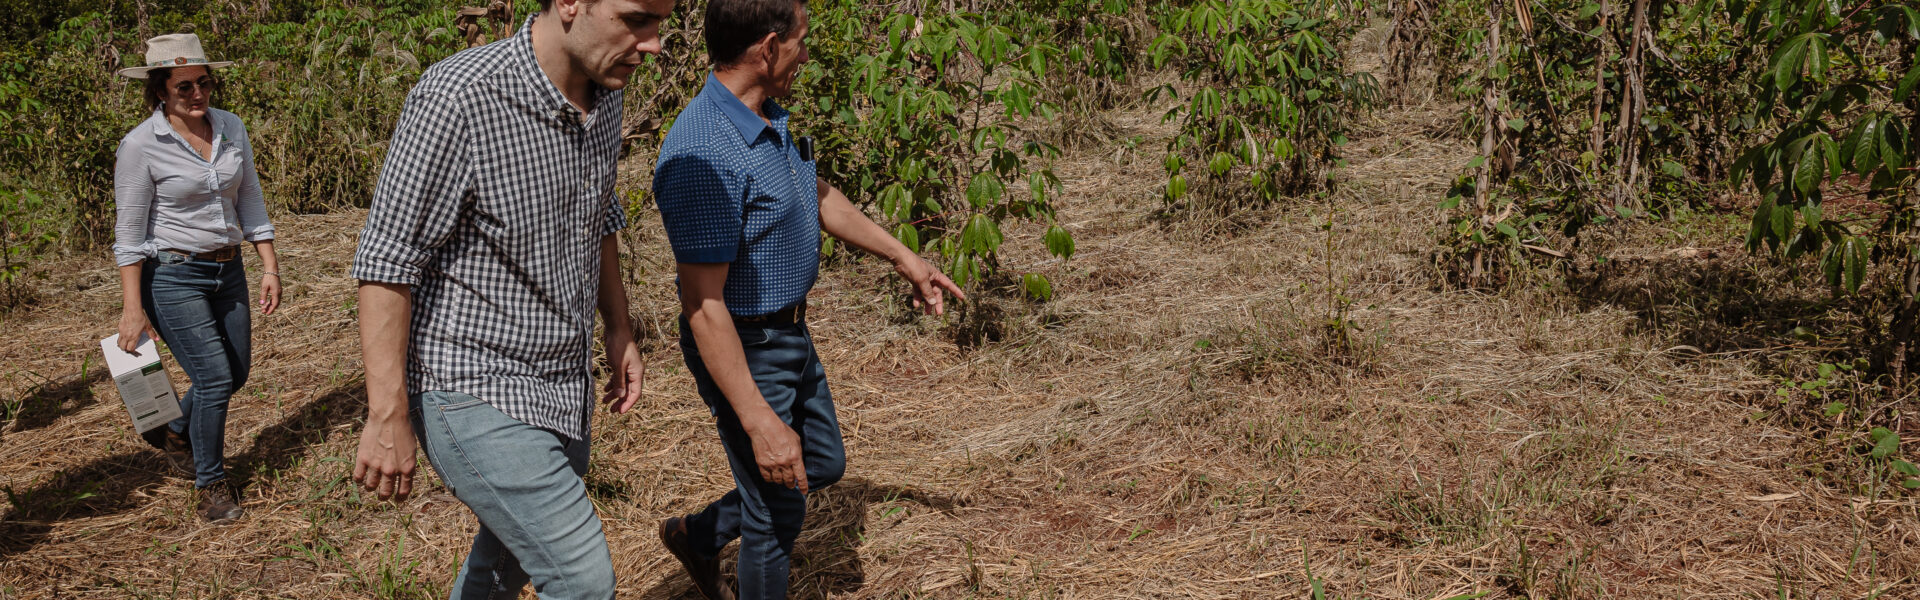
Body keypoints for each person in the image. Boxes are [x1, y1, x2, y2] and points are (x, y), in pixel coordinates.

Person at [347, 0, 671, 596]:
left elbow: (599, 214)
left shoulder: (606, 88)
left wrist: (618, 327)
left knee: (502, 570)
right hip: (471, 382)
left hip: (561, 381)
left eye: (660, 23)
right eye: (637, 19)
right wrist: (387, 413)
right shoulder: (460, 98)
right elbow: (388, 261)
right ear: (571, 4)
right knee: (582, 579)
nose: (653, 44)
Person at [650, 0, 964, 597]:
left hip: (788, 332)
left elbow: (816, 194)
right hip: (745, 342)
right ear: (768, 48)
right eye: (801, 41)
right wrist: (758, 418)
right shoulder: (702, 154)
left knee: (821, 465)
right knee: (775, 515)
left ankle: (699, 534)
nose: (807, 54)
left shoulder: (766, 115)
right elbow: (704, 307)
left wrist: (905, 257)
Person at [112, 33, 281, 524]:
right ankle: (211, 483)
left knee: (237, 373)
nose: (197, 94)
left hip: (229, 268)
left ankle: (176, 429)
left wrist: (268, 263)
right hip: (172, 275)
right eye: (183, 86)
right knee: (213, 378)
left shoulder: (230, 127)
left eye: (203, 82)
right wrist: (132, 308)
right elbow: (128, 235)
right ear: (160, 91)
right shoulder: (141, 145)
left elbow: (248, 195)